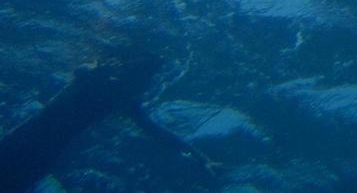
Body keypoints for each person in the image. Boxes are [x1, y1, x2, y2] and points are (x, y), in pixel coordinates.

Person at [0, 48, 215, 192]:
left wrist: (200, 155)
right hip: (33, 143)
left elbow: (160, 133)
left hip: (40, 149)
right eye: (145, 76)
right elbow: (81, 71)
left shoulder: (123, 100)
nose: (145, 83)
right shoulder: (102, 80)